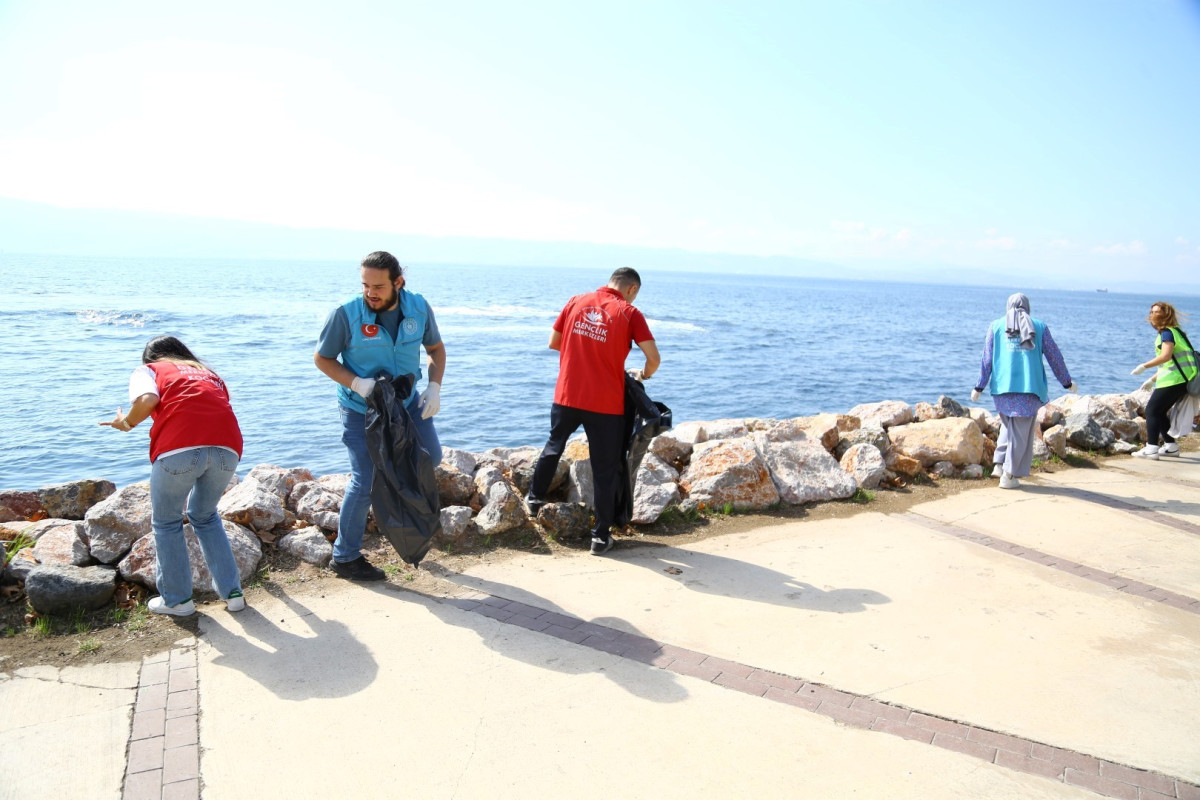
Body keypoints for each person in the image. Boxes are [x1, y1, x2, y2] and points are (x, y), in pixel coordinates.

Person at [314, 251, 445, 580]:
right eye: (365, 285)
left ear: (398, 282)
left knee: (431, 457)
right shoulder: (345, 314)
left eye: (378, 286)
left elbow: (435, 349)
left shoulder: (418, 307)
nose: (370, 292)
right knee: (365, 478)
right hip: (362, 407)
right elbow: (323, 359)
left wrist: (434, 387)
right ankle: (344, 557)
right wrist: (359, 384)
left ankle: (406, 529)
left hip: (407, 403)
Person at [101, 336, 246, 616]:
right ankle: (233, 593)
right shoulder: (208, 373)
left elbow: (148, 399)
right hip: (227, 449)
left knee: (167, 523)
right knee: (205, 516)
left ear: (150, 358)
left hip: (179, 448)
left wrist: (127, 422)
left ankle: (178, 601)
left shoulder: (149, 370)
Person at [525, 267, 661, 554]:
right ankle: (600, 537)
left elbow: (554, 342)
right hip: (605, 404)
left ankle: (534, 500)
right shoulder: (629, 313)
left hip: (567, 393)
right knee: (604, 468)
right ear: (632, 289)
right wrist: (644, 375)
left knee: (554, 445)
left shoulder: (575, 301)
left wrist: (583, 350)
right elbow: (653, 358)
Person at [972, 293, 1076, 489]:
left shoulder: (996, 326)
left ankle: (1000, 464)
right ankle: (1009, 476)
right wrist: (1066, 382)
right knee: (1020, 434)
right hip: (1028, 388)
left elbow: (986, 359)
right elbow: (1055, 356)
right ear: (1027, 307)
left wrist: (979, 386)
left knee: (1009, 427)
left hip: (1002, 387)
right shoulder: (1039, 326)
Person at [1130, 301, 1197, 459]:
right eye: (1152, 312)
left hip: (1175, 380)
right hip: (1182, 379)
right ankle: (1171, 446)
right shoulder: (1177, 332)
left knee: (1152, 410)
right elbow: (1171, 362)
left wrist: (1144, 366)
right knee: (1158, 412)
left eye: (1156, 312)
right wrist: (1152, 380)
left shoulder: (1167, 333)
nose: (1152, 315)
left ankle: (1151, 448)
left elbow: (1165, 356)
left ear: (1166, 315)